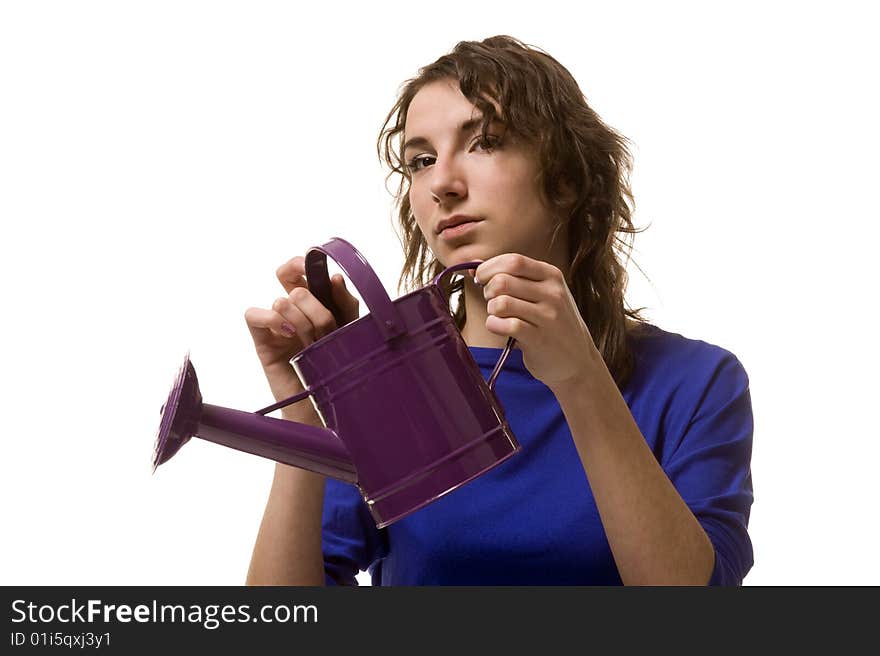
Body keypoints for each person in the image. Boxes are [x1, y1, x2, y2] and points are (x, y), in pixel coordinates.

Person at [243, 35, 754, 586]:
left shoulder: (695, 382)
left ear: (567, 176)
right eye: (420, 160)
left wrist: (580, 379)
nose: (442, 184)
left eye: (484, 142)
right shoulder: (393, 388)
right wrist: (309, 421)